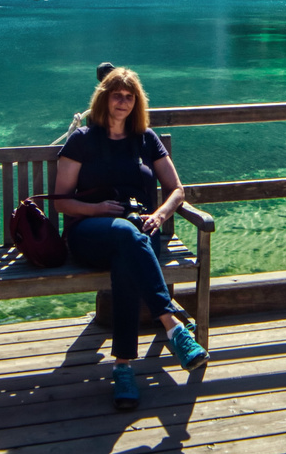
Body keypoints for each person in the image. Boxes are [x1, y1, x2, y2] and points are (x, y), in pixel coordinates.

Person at [55, 67, 207, 410]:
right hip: (90, 233)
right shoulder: (82, 139)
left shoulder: (145, 138)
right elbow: (62, 201)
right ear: (104, 98)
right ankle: (173, 325)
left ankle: (124, 369)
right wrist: (98, 211)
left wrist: (161, 215)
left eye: (129, 96)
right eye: (116, 95)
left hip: (141, 231)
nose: (122, 102)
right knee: (126, 235)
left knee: (128, 251)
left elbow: (176, 190)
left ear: (136, 102)